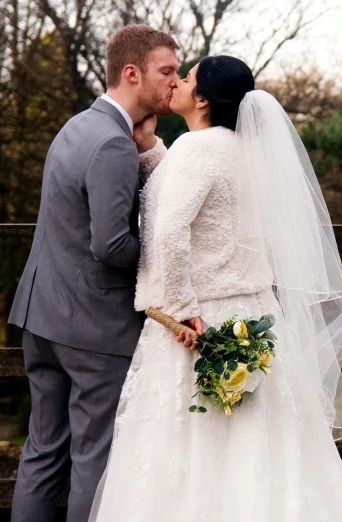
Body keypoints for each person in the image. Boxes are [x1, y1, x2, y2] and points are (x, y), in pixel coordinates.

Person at [88, 55, 342, 521]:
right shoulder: (239, 149)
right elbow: (190, 194)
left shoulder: (199, 150)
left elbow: (170, 231)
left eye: (187, 77)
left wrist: (179, 308)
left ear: (202, 98)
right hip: (254, 315)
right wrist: (152, 148)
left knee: (193, 446)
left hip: (204, 318)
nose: (176, 82)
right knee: (259, 442)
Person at [7, 25, 179, 522]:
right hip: (93, 329)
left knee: (42, 450)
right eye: (165, 71)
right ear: (132, 73)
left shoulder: (78, 125)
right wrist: (167, 255)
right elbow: (112, 246)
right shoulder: (112, 145)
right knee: (94, 459)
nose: (173, 82)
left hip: (42, 316)